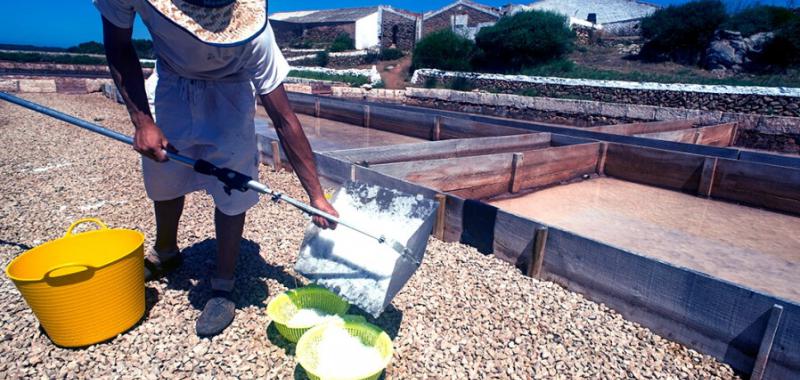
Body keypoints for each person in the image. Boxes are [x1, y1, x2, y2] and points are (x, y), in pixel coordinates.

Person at [94, 0, 339, 337]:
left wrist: (316, 195)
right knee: (164, 172)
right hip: (173, 82)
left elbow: (284, 119)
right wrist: (142, 121)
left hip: (231, 91)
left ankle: (223, 283)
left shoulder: (256, 38)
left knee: (234, 185)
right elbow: (119, 44)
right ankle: (166, 252)